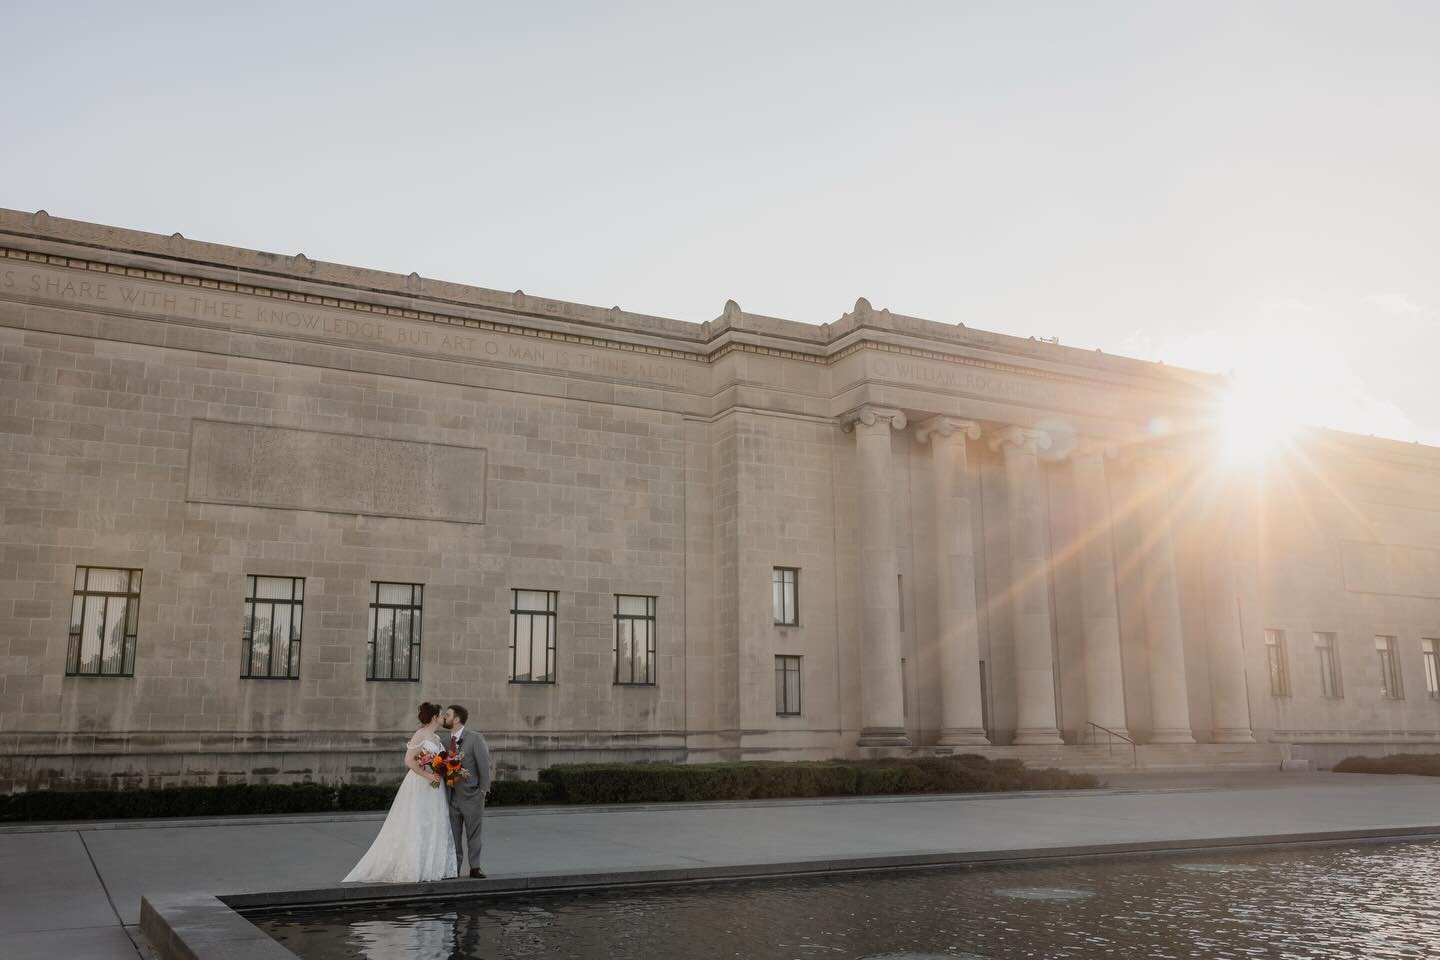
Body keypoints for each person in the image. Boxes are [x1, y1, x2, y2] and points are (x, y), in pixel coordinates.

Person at [342, 702, 458, 883]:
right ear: (434, 716)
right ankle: (414, 867)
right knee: (417, 823)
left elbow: (439, 761)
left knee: (433, 823)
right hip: (421, 785)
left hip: (435, 787)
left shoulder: (436, 737)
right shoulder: (420, 734)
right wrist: (428, 775)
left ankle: (430, 867)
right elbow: (409, 761)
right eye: (441, 714)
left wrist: (445, 770)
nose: (444, 717)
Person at [441, 704, 491, 878]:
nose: (444, 717)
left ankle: (475, 867)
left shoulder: (475, 738)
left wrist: (483, 791)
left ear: (456, 719)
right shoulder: (444, 742)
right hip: (451, 797)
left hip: (472, 796)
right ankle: (454, 868)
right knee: (454, 836)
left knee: (474, 835)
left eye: (447, 715)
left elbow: (484, 766)